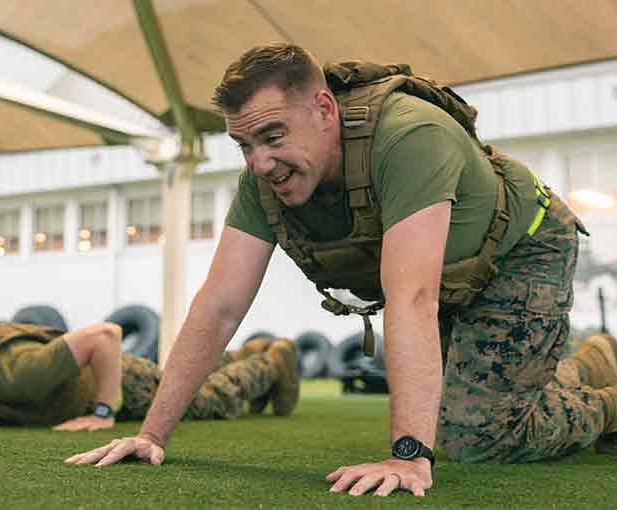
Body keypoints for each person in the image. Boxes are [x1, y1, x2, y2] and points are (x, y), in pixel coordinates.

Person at [66, 42, 617, 498]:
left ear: (325, 110)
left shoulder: (408, 137)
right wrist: (150, 433)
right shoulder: (263, 181)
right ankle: (594, 361)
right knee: (470, 404)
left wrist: (408, 457)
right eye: (244, 145)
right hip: (452, 271)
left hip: (522, 248)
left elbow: (412, 298)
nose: (260, 161)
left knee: (476, 436)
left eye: (273, 137)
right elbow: (219, 306)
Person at [0, 321, 299, 429]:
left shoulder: (15, 376)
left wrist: (104, 411)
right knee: (177, 371)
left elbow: (105, 335)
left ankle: (272, 362)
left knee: (209, 399)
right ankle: (248, 352)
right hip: (107, 371)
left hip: (124, 383)